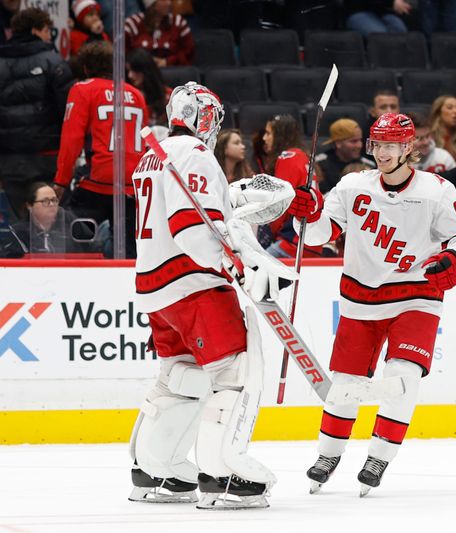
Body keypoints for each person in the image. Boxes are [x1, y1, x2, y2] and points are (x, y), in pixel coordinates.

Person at [287, 112, 456, 496]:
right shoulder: (352, 185)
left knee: (402, 376)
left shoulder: (436, 190)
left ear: (408, 148)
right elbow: (320, 234)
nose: (382, 153)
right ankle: (328, 454)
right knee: (346, 383)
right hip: (360, 298)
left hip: (416, 297)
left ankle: (379, 455)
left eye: (391, 145)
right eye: (378, 144)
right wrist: (306, 214)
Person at [129, 81, 297, 509]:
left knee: (180, 377)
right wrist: (234, 264)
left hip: (155, 287)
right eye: (214, 119)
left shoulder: (152, 156)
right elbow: (191, 227)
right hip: (195, 286)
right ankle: (224, 475)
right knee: (234, 375)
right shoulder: (196, 154)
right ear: (203, 117)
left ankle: (157, 469)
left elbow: (185, 217)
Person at [53, 41, 149, 259]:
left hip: (97, 182)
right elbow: (146, 143)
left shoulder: (82, 89)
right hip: (132, 186)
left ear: (86, 67)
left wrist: (61, 182)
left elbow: (71, 140)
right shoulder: (137, 95)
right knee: (130, 256)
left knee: (74, 244)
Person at [0, 7, 73, 219]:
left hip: (9, 161)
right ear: (35, 30)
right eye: (47, 30)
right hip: (47, 158)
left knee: (20, 227)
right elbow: (68, 112)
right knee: (51, 226)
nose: (50, 35)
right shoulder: (53, 61)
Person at [252, 114, 321, 257]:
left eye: (269, 133)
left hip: (293, 240)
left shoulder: (288, 156)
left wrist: (270, 233)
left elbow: (280, 205)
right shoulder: (303, 155)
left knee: (255, 269)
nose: (264, 138)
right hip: (311, 238)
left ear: (280, 135)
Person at [0, 182, 94, 257]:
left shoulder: (70, 222)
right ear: (29, 206)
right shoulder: (18, 233)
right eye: (45, 201)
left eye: (54, 200)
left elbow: (92, 248)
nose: (52, 205)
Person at [124, 0, 195, 67]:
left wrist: (167, 61)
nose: (169, 3)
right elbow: (123, 54)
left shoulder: (177, 22)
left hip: (173, 73)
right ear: (152, 5)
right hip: (142, 74)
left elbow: (189, 51)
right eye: (164, 0)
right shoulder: (133, 24)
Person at [315, 118, 374, 193]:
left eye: (360, 140)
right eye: (354, 141)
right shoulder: (319, 165)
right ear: (338, 143)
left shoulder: (369, 165)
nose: (359, 145)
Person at [126, 48, 170, 126]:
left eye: (134, 71)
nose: (130, 75)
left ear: (145, 71)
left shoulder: (168, 96)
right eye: (128, 71)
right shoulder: (127, 97)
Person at [344, 0, 411, 38]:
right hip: (357, 11)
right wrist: (392, 2)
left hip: (381, 11)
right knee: (381, 37)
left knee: (401, 31)